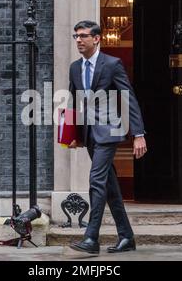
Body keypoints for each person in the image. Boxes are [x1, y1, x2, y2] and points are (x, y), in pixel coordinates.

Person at [67, 20, 147, 254]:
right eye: (76, 37)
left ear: (97, 38)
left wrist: (138, 134)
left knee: (97, 181)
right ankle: (126, 237)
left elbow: (128, 98)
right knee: (109, 185)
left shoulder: (112, 64)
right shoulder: (74, 67)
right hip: (89, 134)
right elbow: (73, 102)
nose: (79, 40)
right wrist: (72, 135)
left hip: (109, 131)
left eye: (83, 36)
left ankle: (91, 238)